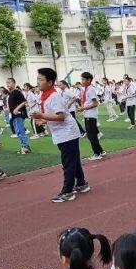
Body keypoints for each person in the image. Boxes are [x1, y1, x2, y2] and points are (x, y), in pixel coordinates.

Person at [31, 67, 89, 203]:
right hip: (64, 132)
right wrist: (43, 120)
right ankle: (81, 183)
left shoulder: (54, 96)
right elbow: (55, 114)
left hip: (67, 132)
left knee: (68, 162)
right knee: (73, 159)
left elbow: (61, 116)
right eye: (37, 79)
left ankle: (67, 191)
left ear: (50, 82)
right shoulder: (46, 96)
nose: (38, 82)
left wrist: (41, 115)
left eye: (41, 79)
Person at [77, 72, 106, 161]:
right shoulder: (86, 89)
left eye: (83, 79)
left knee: (91, 135)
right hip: (88, 114)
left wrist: (84, 108)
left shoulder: (90, 90)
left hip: (91, 115)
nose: (81, 81)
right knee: (91, 134)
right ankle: (100, 151)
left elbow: (95, 103)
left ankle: (97, 153)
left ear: (89, 80)